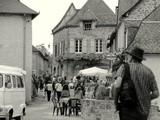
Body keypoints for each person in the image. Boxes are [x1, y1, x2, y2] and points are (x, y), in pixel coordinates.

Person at [113, 46, 159, 120]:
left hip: (128, 109)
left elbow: (117, 86)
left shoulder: (124, 67)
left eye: (128, 55)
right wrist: (144, 98)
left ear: (131, 56)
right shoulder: (149, 71)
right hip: (143, 112)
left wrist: (115, 103)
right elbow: (156, 93)